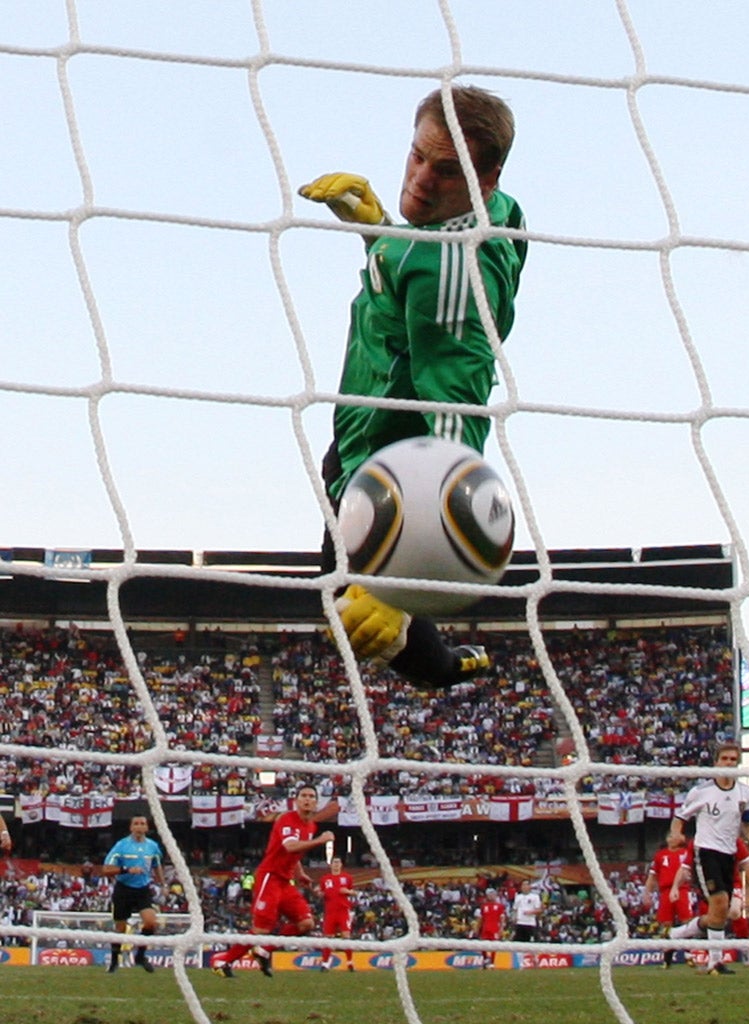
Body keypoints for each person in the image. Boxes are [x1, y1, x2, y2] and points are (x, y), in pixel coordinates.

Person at [299, 84, 527, 687]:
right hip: (361, 431)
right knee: (337, 590)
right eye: (416, 156)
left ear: (487, 176)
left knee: (348, 605)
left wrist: (401, 585)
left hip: (390, 466)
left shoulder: (448, 268)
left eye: (446, 170)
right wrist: (382, 233)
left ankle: (443, 669)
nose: (421, 180)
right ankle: (436, 661)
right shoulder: (491, 217)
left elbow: (457, 415)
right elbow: (426, 299)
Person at [211, 783, 334, 979]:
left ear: (317, 802)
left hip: (285, 881)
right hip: (270, 877)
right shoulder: (287, 819)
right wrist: (320, 841)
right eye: (304, 795)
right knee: (261, 929)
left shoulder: (310, 825)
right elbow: (290, 846)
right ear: (296, 800)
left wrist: (299, 872)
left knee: (306, 924)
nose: (308, 799)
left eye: (312, 796)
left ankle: (264, 950)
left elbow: (295, 853)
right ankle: (223, 961)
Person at [668, 742, 749, 976]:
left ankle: (678, 934)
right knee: (719, 903)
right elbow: (680, 816)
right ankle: (715, 962)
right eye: (725, 759)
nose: (729, 763)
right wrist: (677, 833)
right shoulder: (702, 792)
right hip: (705, 852)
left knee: (720, 913)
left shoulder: (744, 792)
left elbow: (747, 821)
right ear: (716, 762)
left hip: (728, 854)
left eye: (733, 759)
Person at [671, 835, 749, 973]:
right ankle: (715, 961)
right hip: (709, 883)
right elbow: (685, 867)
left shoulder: (732, 839)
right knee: (714, 917)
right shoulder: (698, 842)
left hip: (733, 882)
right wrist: (675, 887)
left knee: (733, 912)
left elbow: (747, 863)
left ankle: (743, 947)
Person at [101, 815, 166, 974]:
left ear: (147, 828)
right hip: (123, 889)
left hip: (143, 889)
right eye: (136, 823)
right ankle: (115, 960)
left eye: (142, 823)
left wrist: (163, 884)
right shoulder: (121, 846)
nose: (139, 826)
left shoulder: (152, 847)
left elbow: (157, 865)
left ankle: (140, 955)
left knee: (151, 922)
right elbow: (106, 869)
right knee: (121, 928)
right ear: (131, 828)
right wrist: (126, 870)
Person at [641, 831, 695, 968]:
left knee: (687, 922)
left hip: (682, 890)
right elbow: (652, 876)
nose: (674, 837)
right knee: (666, 925)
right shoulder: (660, 855)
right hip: (665, 892)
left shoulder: (686, 852)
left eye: (676, 835)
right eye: (670, 836)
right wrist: (647, 893)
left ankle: (690, 955)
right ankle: (667, 959)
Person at [317, 855, 356, 971]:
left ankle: (349, 962)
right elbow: (322, 893)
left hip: (343, 910)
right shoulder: (325, 879)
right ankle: (325, 964)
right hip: (330, 911)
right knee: (328, 938)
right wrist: (319, 894)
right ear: (331, 864)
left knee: (346, 936)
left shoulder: (347, 877)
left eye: (338, 862)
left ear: (341, 864)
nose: (336, 864)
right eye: (334, 862)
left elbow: (353, 892)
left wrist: (347, 891)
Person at [475, 887, 506, 969]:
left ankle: (492, 962)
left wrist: (501, 928)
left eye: (493, 894)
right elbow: (480, 919)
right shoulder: (483, 906)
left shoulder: (500, 906)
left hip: (495, 928)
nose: (491, 896)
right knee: (482, 945)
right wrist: (477, 928)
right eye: (489, 894)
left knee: (494, 945)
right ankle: (485, 960)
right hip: (486, 927)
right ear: (487, 896)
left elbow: (502, 918)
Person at [512, 879, 542, 944]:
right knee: (518, 943)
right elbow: (515, 909)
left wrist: (530, 912)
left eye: (526, 885)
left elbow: (539, 910)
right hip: (520, 923)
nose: (525, 886)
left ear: (529, 886)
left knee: (529, 943)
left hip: (530, 923)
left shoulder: (535, 897)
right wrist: (514, 918)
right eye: (523, 885)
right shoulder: (518, 896)